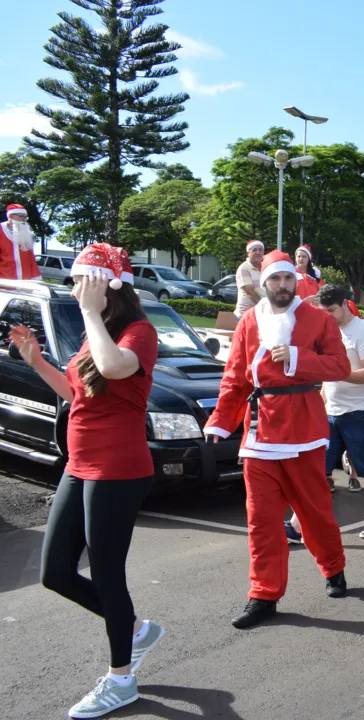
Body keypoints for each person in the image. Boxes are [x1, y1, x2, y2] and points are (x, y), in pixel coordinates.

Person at [11, 244, 163, 718]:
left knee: (107, 575)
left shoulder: (140, 332)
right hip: (80, 465)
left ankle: (122, 680)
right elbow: (78, 392)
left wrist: (91, 315)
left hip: (118, 469)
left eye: (84, 281)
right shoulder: (94, 333)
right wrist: (37, 361)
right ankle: (136, 629)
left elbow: (116, 368)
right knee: (54, 572)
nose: (76, 290)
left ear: (110, 286)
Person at [204, 250, 351, 629]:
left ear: (295, 281)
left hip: (304, 428)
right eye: (275, 280)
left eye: (288, 279)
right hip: (260, 431)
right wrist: (221, 420)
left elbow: (340, 366)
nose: (282, 286)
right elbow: (236, 376)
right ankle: (263, 595)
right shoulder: (249, 321)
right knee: (261, 521)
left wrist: (298, 357)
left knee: (314, 513)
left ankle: (333, 569)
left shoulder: (318, 319)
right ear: (264, 283)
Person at [287, 285, 364, 542]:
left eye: (332, 310)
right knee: (316, 469)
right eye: (323, 310)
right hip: (331, 413)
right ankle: (296, 525)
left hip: (360, 412)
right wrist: (320, 404)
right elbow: (327, 378)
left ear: (345, 304)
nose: (327, 315)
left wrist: (333, 371)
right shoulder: (328, 331)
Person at [0, 204, 41, 280]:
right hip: (5, 280)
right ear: (11, 216)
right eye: (21, 216)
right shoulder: (1, 230)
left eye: (25, 217)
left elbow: (31, 259)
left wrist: (35, 278)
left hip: (25, 281)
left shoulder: (26, 233)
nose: (23, 220)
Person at [234, 240, 265, 317]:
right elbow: (250, 293)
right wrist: (266, 307)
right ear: (248, 253)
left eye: (260, 250)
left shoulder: (266, 267)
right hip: (246, 315)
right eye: (254, 250)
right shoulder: (244, 268)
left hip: (261, 314)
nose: (258, 252)